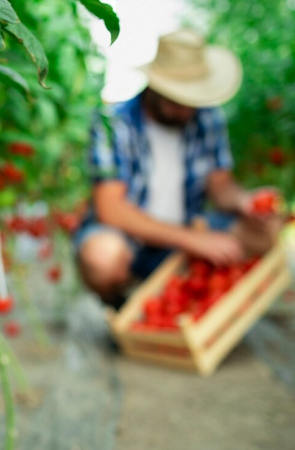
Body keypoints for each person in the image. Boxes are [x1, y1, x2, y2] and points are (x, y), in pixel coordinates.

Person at [75, 29, 282, 309]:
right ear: (155, 87)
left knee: (268, 229)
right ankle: (122, 304)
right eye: (177, 100)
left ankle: (194, 296)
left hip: (187, 232)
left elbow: (220, 185)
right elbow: (111, 209)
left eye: (192, 100)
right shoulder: (113, 123)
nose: (187, 110)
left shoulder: (207, 118)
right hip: (132, 241)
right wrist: (194, 240)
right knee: (102, 257)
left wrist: (244, 201)